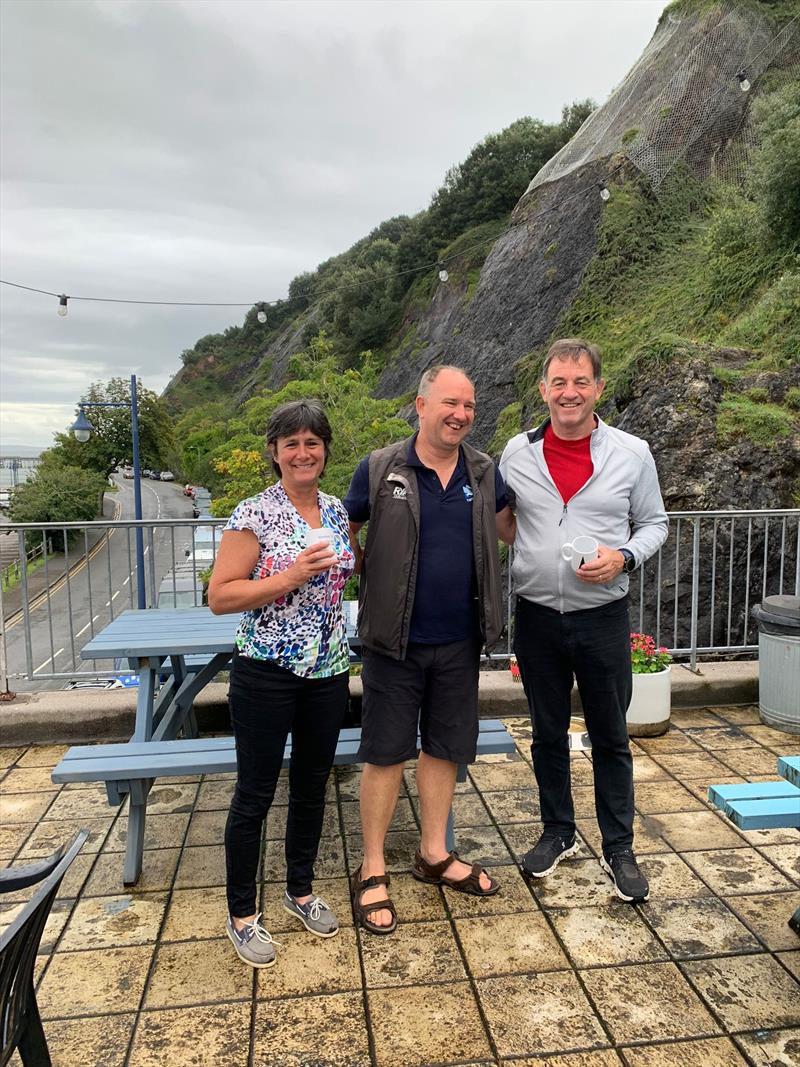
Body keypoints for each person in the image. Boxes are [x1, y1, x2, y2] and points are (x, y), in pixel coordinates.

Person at [344, 365, 516, 934]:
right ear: (420, 405)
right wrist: (370, 578)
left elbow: (511, 526)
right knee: (386, 752)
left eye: (468, 405)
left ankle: (434, 853)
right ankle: (372, 867)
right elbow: (345, 524)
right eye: (449, 403)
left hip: (460, 641)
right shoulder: (379, 467)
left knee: (445, 748)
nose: (460, 414)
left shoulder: (485, 471)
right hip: (393, 642)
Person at [500, 338, 668, 903]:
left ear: (598, 388)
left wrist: (623, 557)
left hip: (602, 617)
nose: (568, 393)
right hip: (538, 617)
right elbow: (506, 523)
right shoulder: (516, 452)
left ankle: (620, 846)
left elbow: (655, 524)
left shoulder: (631, 452)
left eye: (580, 382)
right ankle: (558, 831)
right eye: (558, 382)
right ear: (543, 389)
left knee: (611, 736)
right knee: (546, 734)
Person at [208, 399, 355, 967]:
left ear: (325, 451)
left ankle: (300, 891)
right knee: (255, 793)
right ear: (274, 452)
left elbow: (353, 567)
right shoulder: (255, 513)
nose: (302, 452)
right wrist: (289, 575)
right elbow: (221, 595)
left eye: (312, 442)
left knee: (314, 786)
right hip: (266, 670)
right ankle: (242, 915)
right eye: (290, 443)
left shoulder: (337, 510)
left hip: (328, 669)